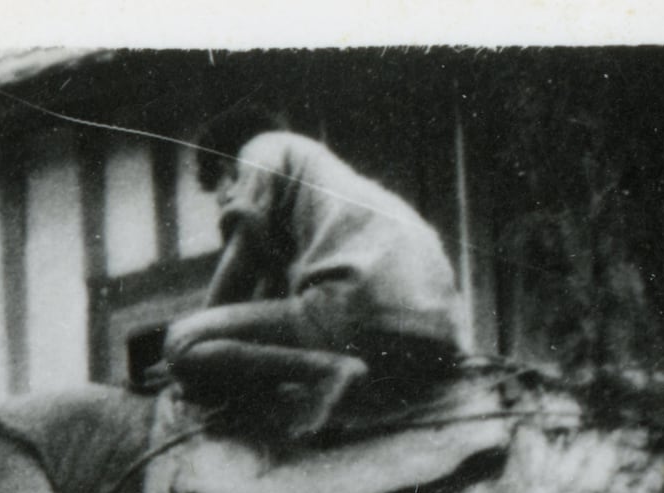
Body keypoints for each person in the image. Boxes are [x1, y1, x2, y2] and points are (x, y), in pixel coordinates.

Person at [164, 108, 469, 440]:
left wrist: (192, 352)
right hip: (434, 331)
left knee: (182, 339)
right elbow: (269, 301)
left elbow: (241, 262)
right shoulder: (319, 181)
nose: (224, 202)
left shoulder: (260, 149)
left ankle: (331, 370)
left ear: (225, 167)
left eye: (219, 192)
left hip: (359, 304)